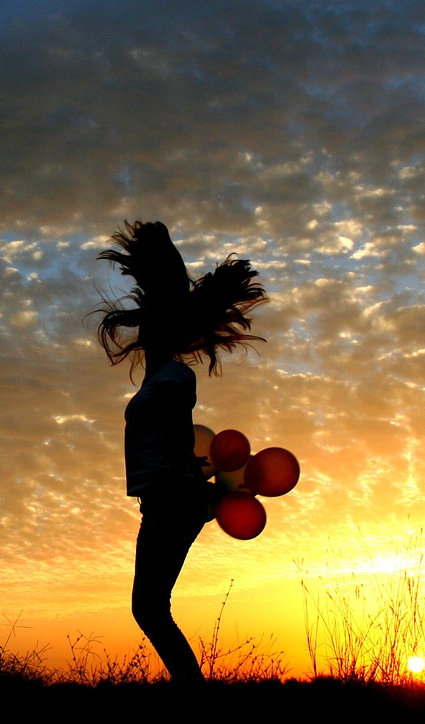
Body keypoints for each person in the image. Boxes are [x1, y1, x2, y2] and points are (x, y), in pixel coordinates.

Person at [95, 220, 266, 685]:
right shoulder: (159, 378)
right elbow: (179, 442)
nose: (145, 325)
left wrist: (192, 484)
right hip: (167, 497)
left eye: (154, 321)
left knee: (148, 608)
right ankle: (195, 702)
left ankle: (196, 703)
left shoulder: (173, 378)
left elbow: (174, 436)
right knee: (150, 608)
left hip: (172, 498)